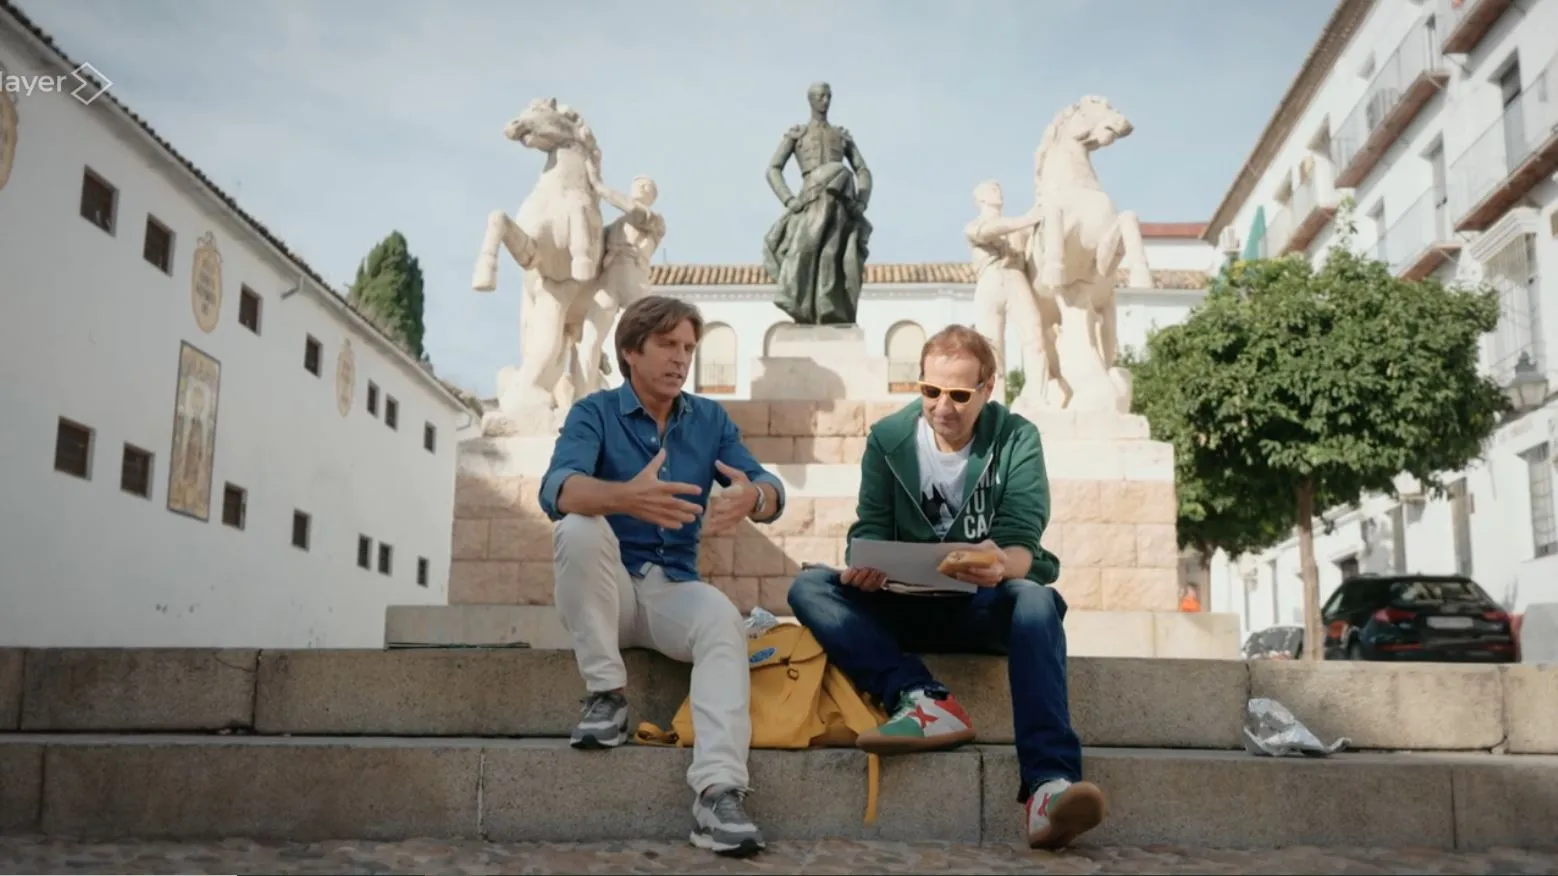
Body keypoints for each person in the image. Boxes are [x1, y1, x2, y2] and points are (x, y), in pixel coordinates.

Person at [786, 324, 1106, 850]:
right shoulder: (889, 439)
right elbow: (869, 530)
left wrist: (1001, 564)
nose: (942, 407)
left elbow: (1026, 542)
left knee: (1036, 598)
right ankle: (922, 700)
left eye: (959, 395)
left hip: (982, 607)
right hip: (903, 605)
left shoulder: (1015, 437)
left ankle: (1050, 787)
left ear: (986, 389)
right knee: (809, 587)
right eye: (930, 392)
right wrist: (862, 567)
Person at [538, 295, 786, 858]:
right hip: (610, 594)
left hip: (672, 587)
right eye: (668, 345)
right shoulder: (594, 413)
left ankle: (718, 794)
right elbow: (556, 490)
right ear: (631, 351)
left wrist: (755, 496)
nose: (681, 359)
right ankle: (606, 694)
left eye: (689, 348)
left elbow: (767, 484)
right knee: (577, 527)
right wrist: (627, 498)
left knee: (723, 618)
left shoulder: (709, 420)